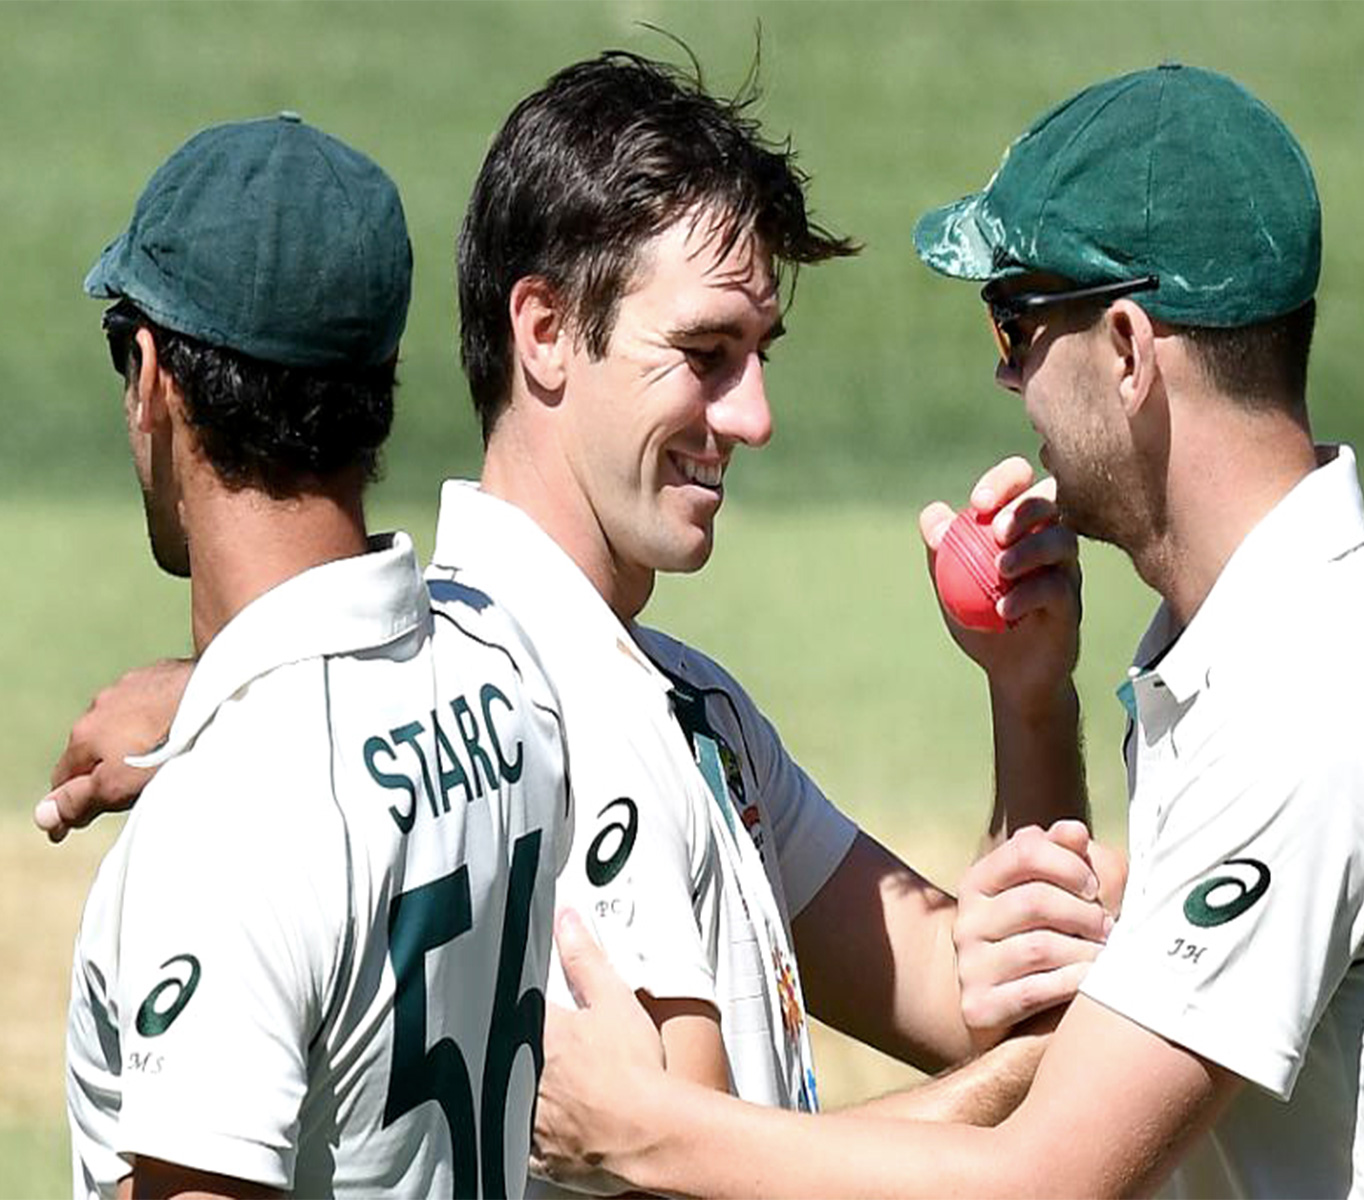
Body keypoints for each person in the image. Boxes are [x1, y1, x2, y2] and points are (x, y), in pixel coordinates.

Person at [42, 50, 1118, 1172]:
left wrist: (1029, 699)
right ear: (546, 332)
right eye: (705, 354)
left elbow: (972, 992)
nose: (754, 417)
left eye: (757, 357)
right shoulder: (568, 713)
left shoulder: (672, 699)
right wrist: (1097, 1070)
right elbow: (694, 1169)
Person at [528, 63, 1364, 1198]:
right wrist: (1031, 699)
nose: (1005, 377)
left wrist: (638, 1130)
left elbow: (1045, 1178)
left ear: (1126, 350)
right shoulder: (1291, 629)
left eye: (1015, 323)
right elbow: (1038, 1027)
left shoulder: (1309, 690)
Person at [64, 114, 571, 1199]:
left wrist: (224, 743)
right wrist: (208, 703)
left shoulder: (222, 829)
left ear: (152, 375)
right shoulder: (510, 668)